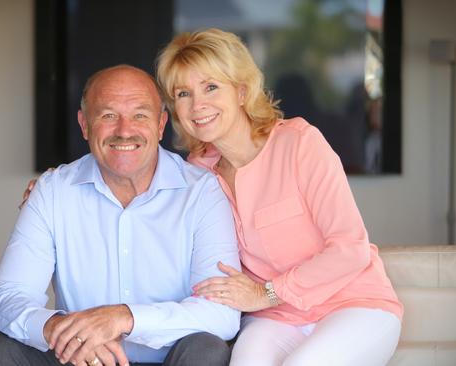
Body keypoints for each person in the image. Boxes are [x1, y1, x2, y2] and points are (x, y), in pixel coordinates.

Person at [155, 28, 404, 366]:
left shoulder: (300, 143)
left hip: (353, 303)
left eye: (211, 87)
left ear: (241, 92)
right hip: (275, 317)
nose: (197, 105)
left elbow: (351, 249)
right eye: (183, 93)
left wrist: (265, 293)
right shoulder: (197, 170)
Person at [0, 65, 241, 366]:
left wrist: (125, 318)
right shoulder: (52, 191)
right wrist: (59, 330)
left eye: (140, 115)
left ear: (161, 124)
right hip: (79, 358)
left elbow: (222, 313)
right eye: (108, 115)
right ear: (84, 124)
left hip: (171, 359)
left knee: (208, 350)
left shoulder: (201, 192)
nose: (124, 130)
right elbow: (6, 298)